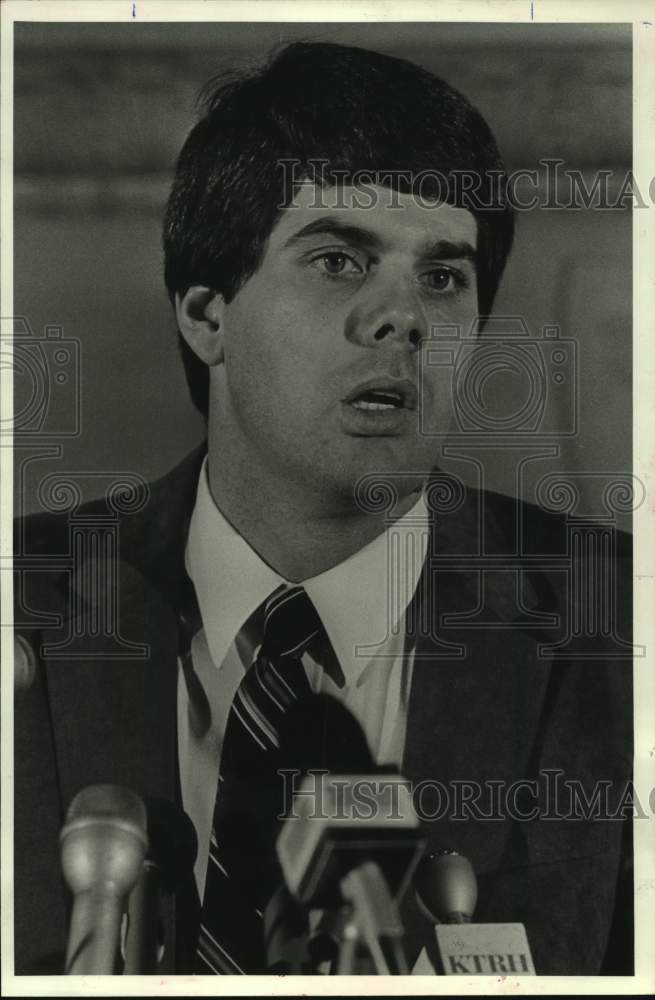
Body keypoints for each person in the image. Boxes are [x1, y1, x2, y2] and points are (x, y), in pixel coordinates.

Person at [13, 41, 633, 975]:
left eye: (443, 277)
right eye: (340, 259)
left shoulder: (623, 624)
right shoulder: (25, 607)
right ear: (206, 315)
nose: (404, 319)